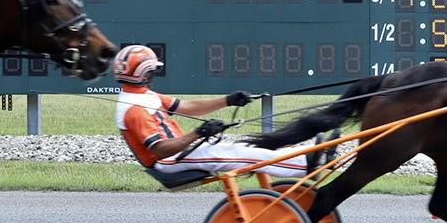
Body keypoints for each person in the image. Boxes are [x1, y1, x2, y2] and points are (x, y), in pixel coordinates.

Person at [114, 44, 329, 178]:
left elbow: (187, 107)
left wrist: (228, 100)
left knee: (243, 147)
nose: (154, 75)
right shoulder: (134, 109)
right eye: (152, 70)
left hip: (179, 155)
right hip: (169, 163)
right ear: (144, 73)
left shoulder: (142, 95)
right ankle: (306, 165)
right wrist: (199, 133)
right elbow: (161, 150)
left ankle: (309, 157)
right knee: (238, 154)